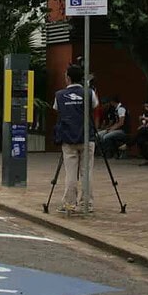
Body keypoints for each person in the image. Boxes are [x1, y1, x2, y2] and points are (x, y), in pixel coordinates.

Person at [53, 64, 99, 213]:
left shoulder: (59, 95)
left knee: (71, 173)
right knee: (87, 172)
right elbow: (95, 106)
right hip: (87, 137)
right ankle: (87, 204)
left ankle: (69, 204)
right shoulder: (89, 93)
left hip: (68, 139)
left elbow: (57, 109)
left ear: (68, 78)